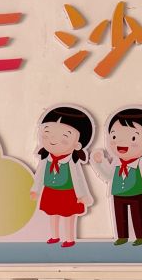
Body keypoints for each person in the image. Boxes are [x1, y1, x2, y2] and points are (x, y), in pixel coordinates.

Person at [92, 107, 142, 246]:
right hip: (117, 192)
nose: (121, 143)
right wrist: (100, 162)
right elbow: (108, 176)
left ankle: (141, 236)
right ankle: (122, 236)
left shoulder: (141, 162)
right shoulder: (116, 162)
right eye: (114, 137)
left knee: (138, 215)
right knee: (120, 215)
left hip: (137, 192)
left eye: (133, 138)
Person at [29, 105, 95, 249]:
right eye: (47, 133)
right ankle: (54, 236)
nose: (53, 139)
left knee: (69, 217)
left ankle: (69, 238)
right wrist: (36, 190)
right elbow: (39, 175)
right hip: (50, 191)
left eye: (64, 136)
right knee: (52, 215)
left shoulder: (72, 162)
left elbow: (79, 179)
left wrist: (82, 195)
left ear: (77, 144)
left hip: (68, 193)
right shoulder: (45, 159)